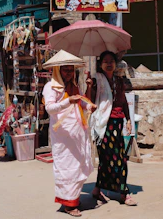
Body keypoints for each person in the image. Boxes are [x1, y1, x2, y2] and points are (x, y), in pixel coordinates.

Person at [42, 62, 97, 217]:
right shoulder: (50, 87)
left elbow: (79, 104)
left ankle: (73, 199)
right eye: (64, 70)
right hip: (63, 136)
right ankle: (68, 204)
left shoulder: (74, 87)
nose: (68, 73)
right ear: (58, 71)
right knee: (66, 168)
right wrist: (68, 101)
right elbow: (50, 109)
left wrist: (88, 107)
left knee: (78, 166)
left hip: (77, 133)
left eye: (70, 70)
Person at [86, 51, 137, 206]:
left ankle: (106, 190)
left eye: (111, 61)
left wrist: (128, 119)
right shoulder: (96, 81)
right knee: (108, 159)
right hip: (103, 125)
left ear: (115, 64)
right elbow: (89, 101)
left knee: (118, 158)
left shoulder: (119, 81)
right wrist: (89, 87)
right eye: (105, 61)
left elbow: (123, 102)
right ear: (100, 65)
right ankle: (122, 192)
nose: (109, 63)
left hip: (117, 123)